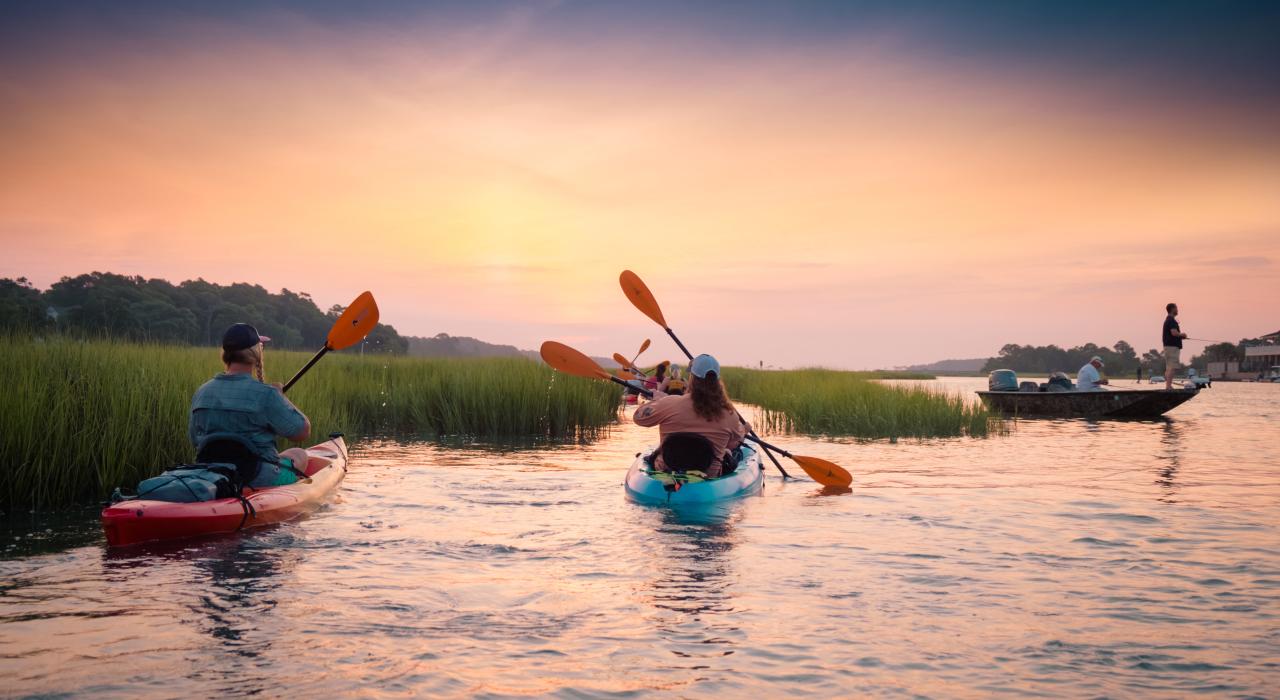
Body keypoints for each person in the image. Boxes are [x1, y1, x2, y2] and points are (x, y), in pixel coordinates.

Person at [189, 323, 312, 488]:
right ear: (256, 353)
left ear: (226, 354)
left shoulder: (202, 391)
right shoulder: (266, 394)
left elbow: (194, 439)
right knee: (299, 454)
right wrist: (281, 397)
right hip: (256, 476)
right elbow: (302, 431)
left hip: (210, 473)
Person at [634, 354, 748, 478]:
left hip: (666, 470)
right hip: (709, 475)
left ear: (692, 378)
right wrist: (746, 428)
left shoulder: (670, 403)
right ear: (717, 380)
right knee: (731, 452)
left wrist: (657, 401)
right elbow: (736, 440)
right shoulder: (729, 413)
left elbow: (638, 418)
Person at [1163, 302, 1188, 390]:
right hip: (1172, 347)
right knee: (1172, 367)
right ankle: (1168, 386)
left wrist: (1180, 336)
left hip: (1168, 347)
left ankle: (1168, 385)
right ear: (1172, 309)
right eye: (1176, 308)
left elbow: (1173, 334)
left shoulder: (1168, 320)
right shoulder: (1171, 320)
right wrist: (1182, 335)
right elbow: (1174, 333)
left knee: (1169, 367)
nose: (1177, 310)